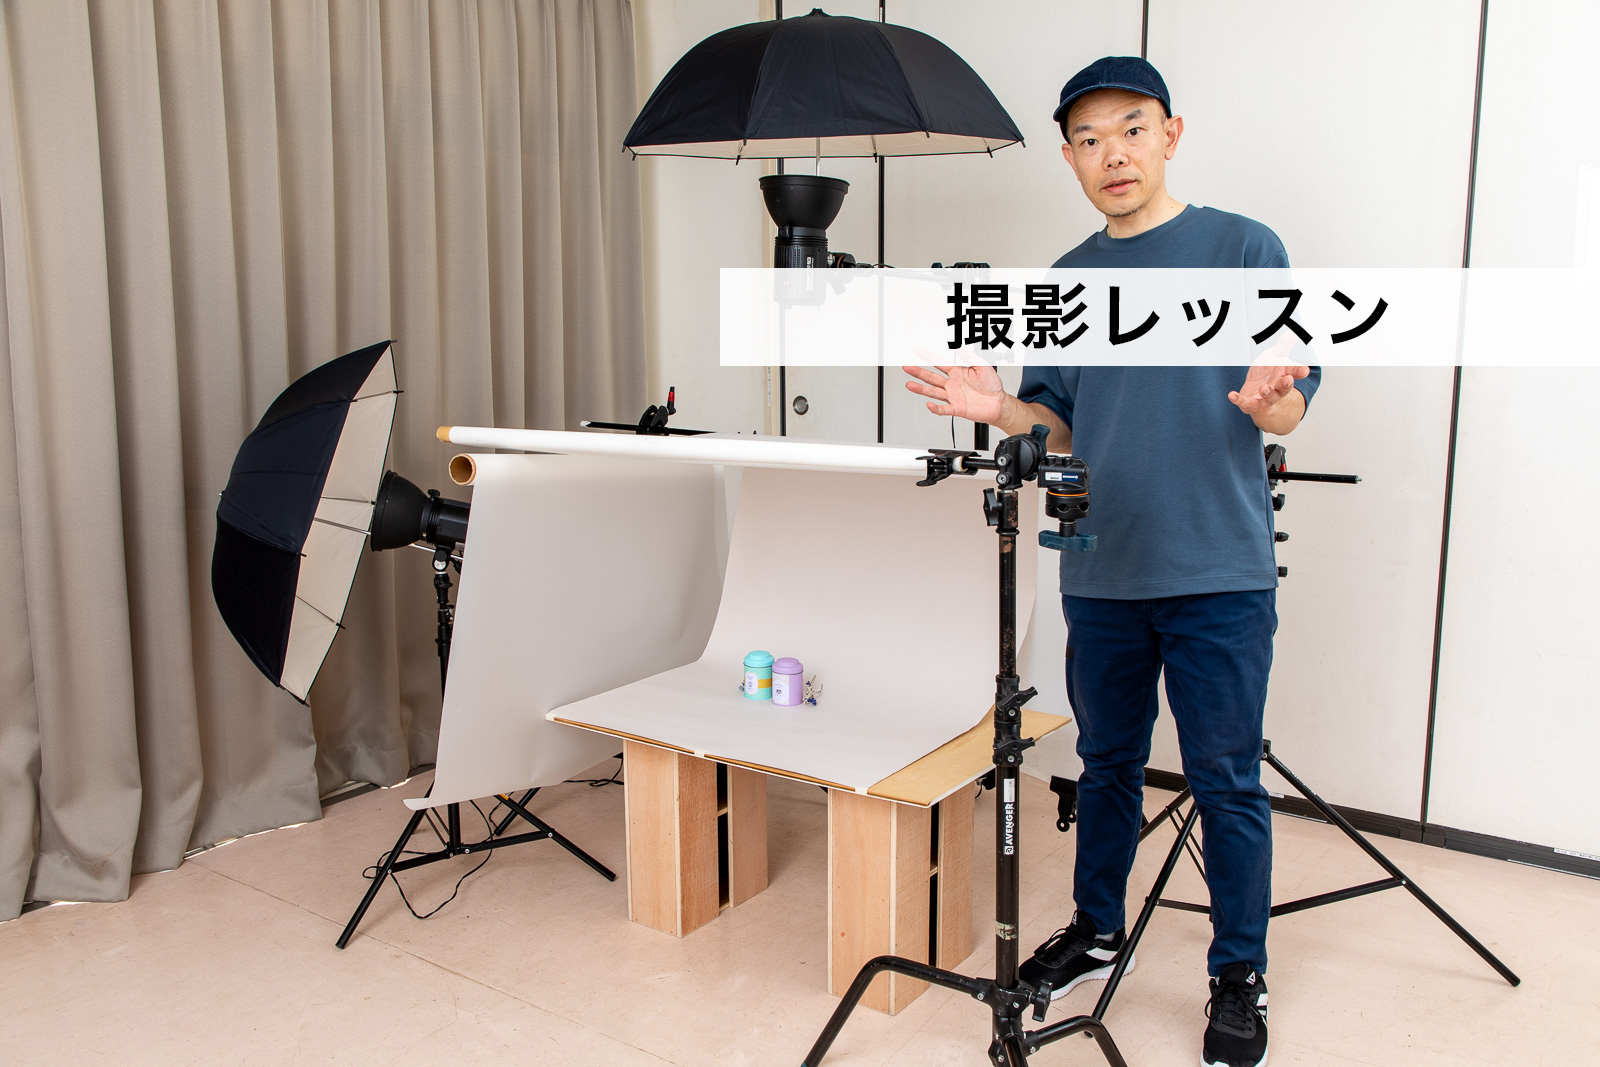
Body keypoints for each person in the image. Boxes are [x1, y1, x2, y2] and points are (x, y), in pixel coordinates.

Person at [903, 56, 1318, 1067]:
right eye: (1088, 140)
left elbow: (1292, 406)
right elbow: (1061, 425)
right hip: (1101, 568)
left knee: (1225, 778)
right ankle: (1096, 929)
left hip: (1218, 571)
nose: (1112, 154)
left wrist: (1272, 402)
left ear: (1170, 135)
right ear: (1069, 159)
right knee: (1104, 766)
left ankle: (1238, 971)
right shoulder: (1067, 279)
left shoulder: (1244, 248)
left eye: (1131, 129)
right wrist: (1003, 408)